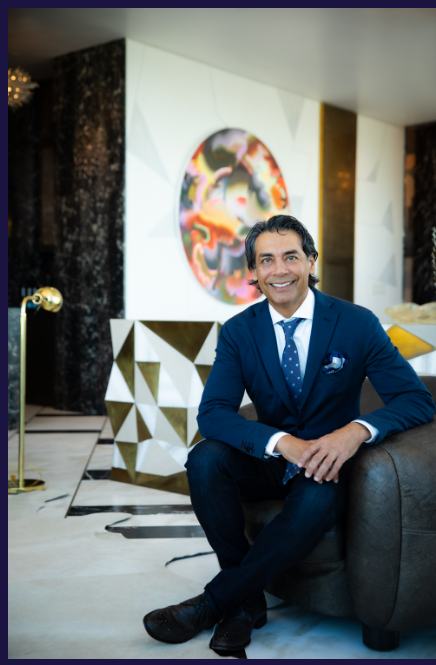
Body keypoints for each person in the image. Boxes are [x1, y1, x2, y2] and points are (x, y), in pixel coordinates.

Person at [143, 215, 435, 652]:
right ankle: (246, 600)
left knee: (315, 498)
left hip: (329, 466)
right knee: (204, 460)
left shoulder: (356, 323)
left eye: (291, 257)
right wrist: (281, 443)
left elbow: (416, 399)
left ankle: (215, 603)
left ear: (311, 261)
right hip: (272, 458)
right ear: (254, 271)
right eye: (267, 260)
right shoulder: (240, 331)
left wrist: (354, 432)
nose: (279, 270)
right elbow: (213, 414)